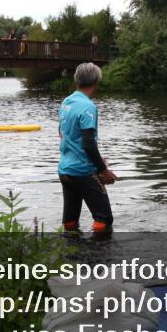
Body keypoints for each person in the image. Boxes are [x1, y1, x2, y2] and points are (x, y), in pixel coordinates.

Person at [57, 62, 118, 232]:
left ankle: (70, 253)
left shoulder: (66, 103)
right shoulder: (88, 106)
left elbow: (65, 136)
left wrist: (98, 160)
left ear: (77, 81)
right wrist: (102, 169)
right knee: (104, 220)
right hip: (83, 171)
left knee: (70, 220)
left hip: (65, 170)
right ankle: (98, 256)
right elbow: (88, 144)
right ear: (96, 83)